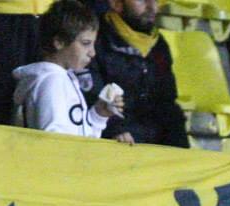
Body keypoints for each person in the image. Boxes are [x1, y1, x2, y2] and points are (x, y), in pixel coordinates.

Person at [14, 0, 122, 136]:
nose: (92, 53)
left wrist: (99, 115)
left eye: (93, 44)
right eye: (85, 43)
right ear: (59, 42)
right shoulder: (52, 82)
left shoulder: (63, 79)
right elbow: (54, 141)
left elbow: (81, 137)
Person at [89, 0, 185, 145]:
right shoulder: (95, 39)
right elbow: (91, 95)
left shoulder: (159, 44)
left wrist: (179, 143)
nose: (151, 6)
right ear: (116, 3)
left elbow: (167, 100)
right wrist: (116, 129)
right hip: (112, 140)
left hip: (153, 140)